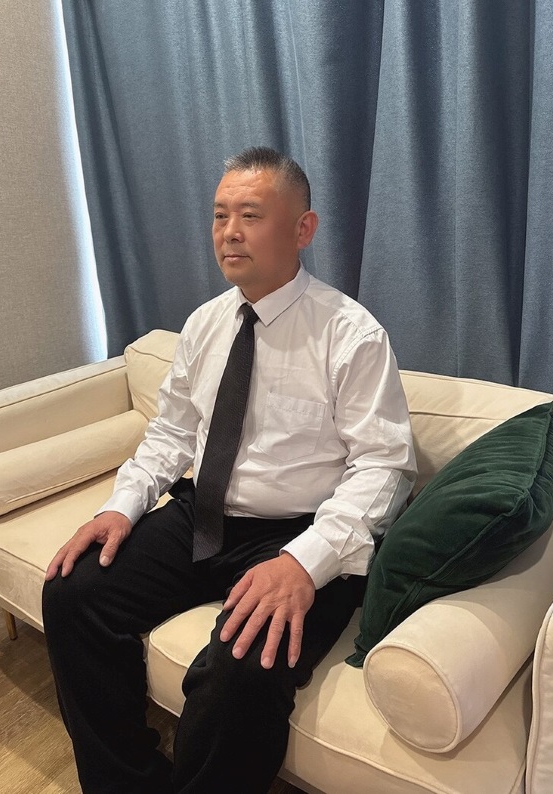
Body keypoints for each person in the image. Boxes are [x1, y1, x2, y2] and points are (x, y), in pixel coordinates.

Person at [42, 146, 417, 794]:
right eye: (220, 215)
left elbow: (385, 465)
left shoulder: (351, 334)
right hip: (203, 513)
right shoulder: (204, 325)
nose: (230, 232)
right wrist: (120, 507)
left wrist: (304, 562)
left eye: (251, 214)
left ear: (302, 228)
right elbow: (171, 434)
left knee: (242, 665)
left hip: (300, 533)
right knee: (72, 592)